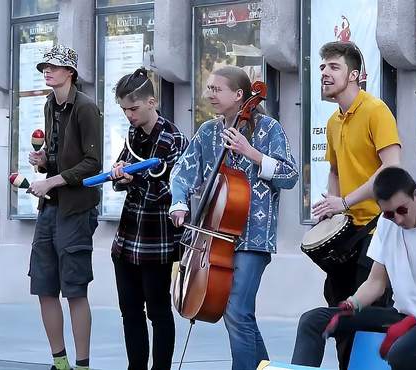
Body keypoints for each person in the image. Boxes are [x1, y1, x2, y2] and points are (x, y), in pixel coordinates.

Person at [169, 65, 298, 370]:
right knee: (238, 315)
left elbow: (290, 175)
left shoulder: (269, 128)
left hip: (253, 237)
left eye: (216, 89)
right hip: (214, 238)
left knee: (237, 312)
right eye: (209, 88)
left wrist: (252, 153)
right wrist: (178, 202)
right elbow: (182, 172)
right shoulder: (208, 132)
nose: (209, 94)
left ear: (239, 95)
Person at [293, 167, 416, 370]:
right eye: (389, 213)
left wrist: (413, 321)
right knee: (313, 321)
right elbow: (376, 283)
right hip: (402, 315)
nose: (397, 219)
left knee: (399, 354)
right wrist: (349, 305)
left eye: (402, 210)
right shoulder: (386, 223)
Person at [308, 40, 401, 369]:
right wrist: (334, 212)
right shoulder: (333, 122)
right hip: (349, 230)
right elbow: (334, 171)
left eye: (334, 67)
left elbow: (391, 167)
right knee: (338, 306)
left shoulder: (376, 110)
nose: (325, 73)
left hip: (379, 226)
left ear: (356, 75)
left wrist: (345, 201)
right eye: (322, 67)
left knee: (369, 317)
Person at [27, 44, 102, 370]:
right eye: (46, 65)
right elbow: (57, 160)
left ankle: (82, 365)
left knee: (74, 290)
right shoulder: (49, 104)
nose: (48, 70)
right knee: (44, 287)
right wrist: (43, 162)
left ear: (70, 72)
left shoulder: (86, 108)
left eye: (55, 66)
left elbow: (93, 164)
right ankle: (60, 363)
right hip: (50, 208)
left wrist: (52, 180)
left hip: (75, 210)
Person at [110, 67, 188, 370]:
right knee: (129, 310)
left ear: (151, 102)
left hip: (158, 239)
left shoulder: (173, 139)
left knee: (158, 310)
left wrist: (134, 179)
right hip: (127, 237)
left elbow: (175, 191)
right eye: (124, 109)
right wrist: (120, 176)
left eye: (133, 108)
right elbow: (120, 176)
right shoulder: (132, 134)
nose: (129, 115)